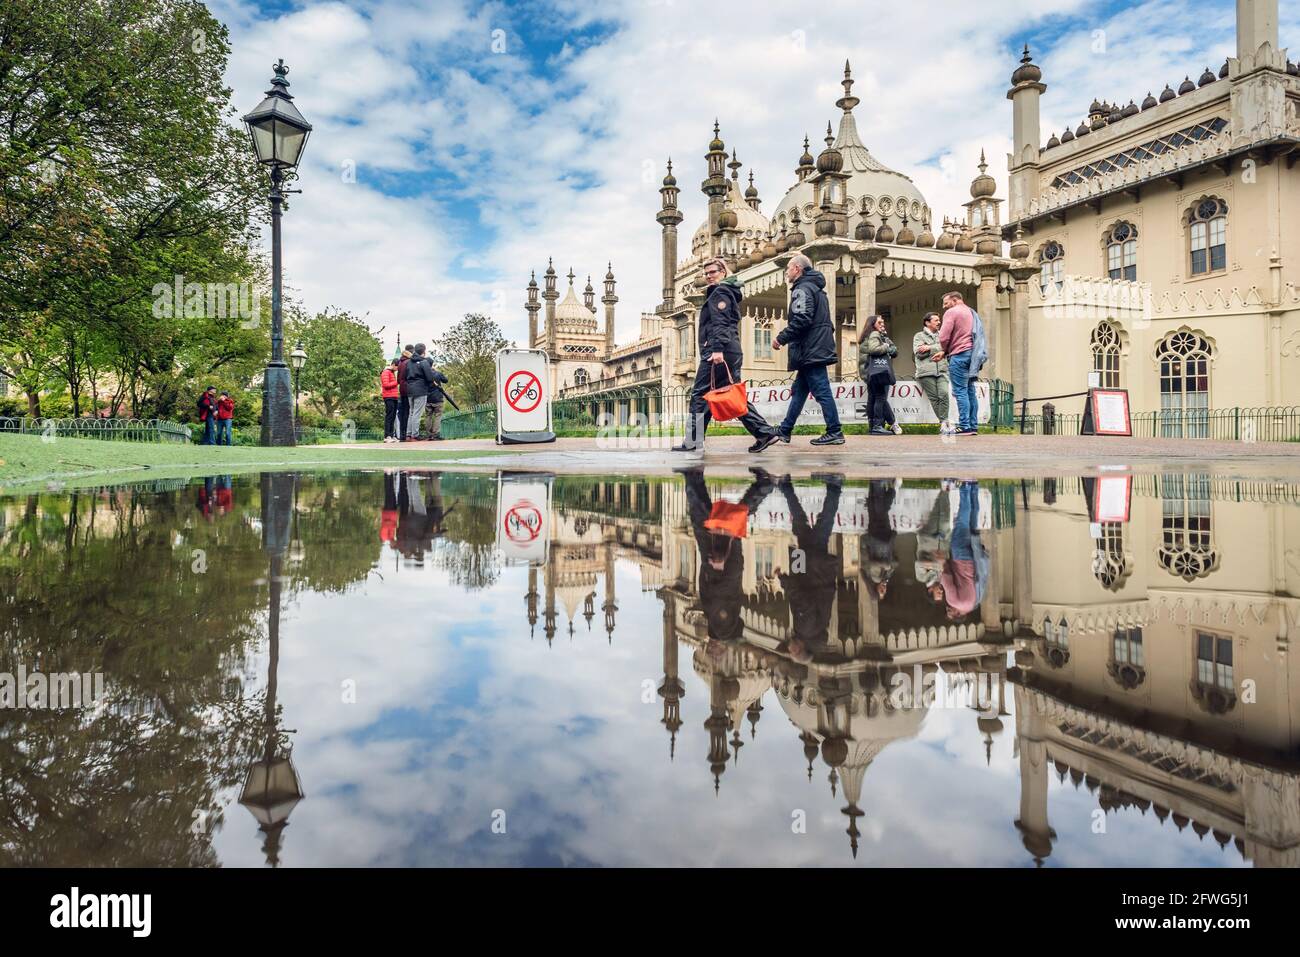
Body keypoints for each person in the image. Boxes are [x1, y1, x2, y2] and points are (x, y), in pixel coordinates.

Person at [671, 258, 779, 454]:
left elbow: (720, 323)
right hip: (729, 349)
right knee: (731, 394)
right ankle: (764, 433)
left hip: (719, 350)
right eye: (706, 274)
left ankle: (693, 441)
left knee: (699, 395)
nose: (708, 276)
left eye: (712, 272)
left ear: (723, 272)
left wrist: (717, 349)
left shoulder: (720, 291)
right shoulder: (728, 291)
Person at [681, 465, 776, 639]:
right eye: (716, 648)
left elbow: (707, 589)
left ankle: (694, 478)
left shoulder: (717, 618)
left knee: (710, 519)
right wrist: (715, 567)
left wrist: (705, 569)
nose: (713, 650)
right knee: (726, 519)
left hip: (714, 564)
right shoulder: (722, 622)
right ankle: (765, 485)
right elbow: (723, 590)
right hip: (723, 564)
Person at [771, 254, 844, 446]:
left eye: (788, 268)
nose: (786, 272)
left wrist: (781, 337)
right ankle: (785, 430)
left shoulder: (802, 289)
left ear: (797, 269)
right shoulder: (816, 289)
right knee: (800, 390)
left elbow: (802, 319)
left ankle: (835, 431)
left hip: (810, 349)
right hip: (813, 348)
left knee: (822, 390)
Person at [778, 472, 843, 663]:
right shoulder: (805, 628)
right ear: (799, 649)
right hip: (813, 567)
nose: (789, 648)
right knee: (821, 525)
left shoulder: (810, 630)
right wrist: (784, 581)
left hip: (809, 568)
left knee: (802, 526)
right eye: (791, 651)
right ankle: (834, 486)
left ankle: (786, 487)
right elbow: (801, 598)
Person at [940, 480, 988, 620]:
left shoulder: (975, 603)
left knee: (972, 522)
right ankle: (965, 488)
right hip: (960, 558)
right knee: (962, 522)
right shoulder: (955, 602)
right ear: (957, 614)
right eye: (949, 611)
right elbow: (947, 580)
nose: (948, 608)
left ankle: (973, 488)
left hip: (973, 559)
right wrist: (941, 566)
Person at [938, 290, 977, 435]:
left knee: (960, 391)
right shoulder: (971, 312)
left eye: (946, 303)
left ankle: (964, 426)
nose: (944, 307)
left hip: (959, 354)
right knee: (970, 391)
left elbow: (943, 336)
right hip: (972, 355)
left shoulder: (952, 312)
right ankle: (973, 426)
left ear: (955, 300)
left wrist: (944, 350)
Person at [858, 315, 899, 435]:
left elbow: (895, 350)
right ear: (873, 324)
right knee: (880, 397)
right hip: (878, 372)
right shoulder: (875, 334)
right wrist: (886, 346)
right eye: (879, 322)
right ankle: (877, 426)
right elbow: (874, 349)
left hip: (868, 371)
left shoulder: (867, 335)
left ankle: (872, 426)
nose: (882, 324)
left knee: (872, 398)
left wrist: (888, 344)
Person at [913, 312, 952, 434]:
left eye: (939, 320)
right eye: (936, 320)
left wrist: (929, 347)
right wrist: (940, 347)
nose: (939, 322)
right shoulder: (919, 336)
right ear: (927, 322)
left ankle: (944, 422)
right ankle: (944, 423)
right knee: (934, 398)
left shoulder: (943, 335)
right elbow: (919, 353)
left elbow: (949, 348)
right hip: (925, 372)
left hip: (942, 370)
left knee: (944, 394)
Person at [404, 343, 449, 441]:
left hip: (410, 389)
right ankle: (415, 435)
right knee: (417, 413)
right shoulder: (424, 362)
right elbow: (429, 377)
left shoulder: (408, 362)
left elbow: (405, 376)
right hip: (420, 390)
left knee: (411, 412)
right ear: (424, 351)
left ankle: (408, 434)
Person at [381, 359, 401, 443]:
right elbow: (385, 385)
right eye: (397, 366)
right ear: (393, 364)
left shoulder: (392, 372)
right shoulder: (386, 372)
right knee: (389, 416)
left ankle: (391, 435)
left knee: (393, 417)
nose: (397, 368)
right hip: (388, 397)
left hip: (394, 396)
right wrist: (396, 383)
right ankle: (387, 436)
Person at [396, 347, 412, 441]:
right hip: (408, 389)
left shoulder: (400, 363)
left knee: (403, 412)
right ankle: (407, 434)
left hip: (401, 389)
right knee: (408, 412)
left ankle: (402, 435)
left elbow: (398, 379)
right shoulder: (408, 363)